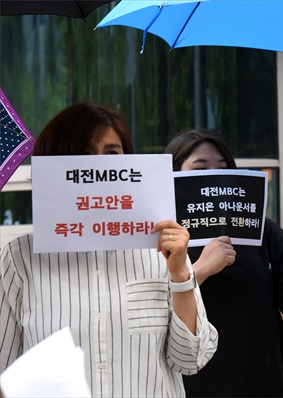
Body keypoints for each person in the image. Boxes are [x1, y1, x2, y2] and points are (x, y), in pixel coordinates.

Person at [0, 103, 218, 397]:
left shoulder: (163, 249)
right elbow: (6, 371)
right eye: (84, 155)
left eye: (113, 154)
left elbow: (190, 359)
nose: (100, 167)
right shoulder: (20, 257)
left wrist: (180, 273)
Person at [165, 129, 283, 397]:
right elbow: (155, 305)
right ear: (175, 174)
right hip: (191, 385)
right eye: (200, 167)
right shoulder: (164, 236)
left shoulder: (262, 231)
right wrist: (200, 270)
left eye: (223, 167)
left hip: (262, 382)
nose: (215, 175)